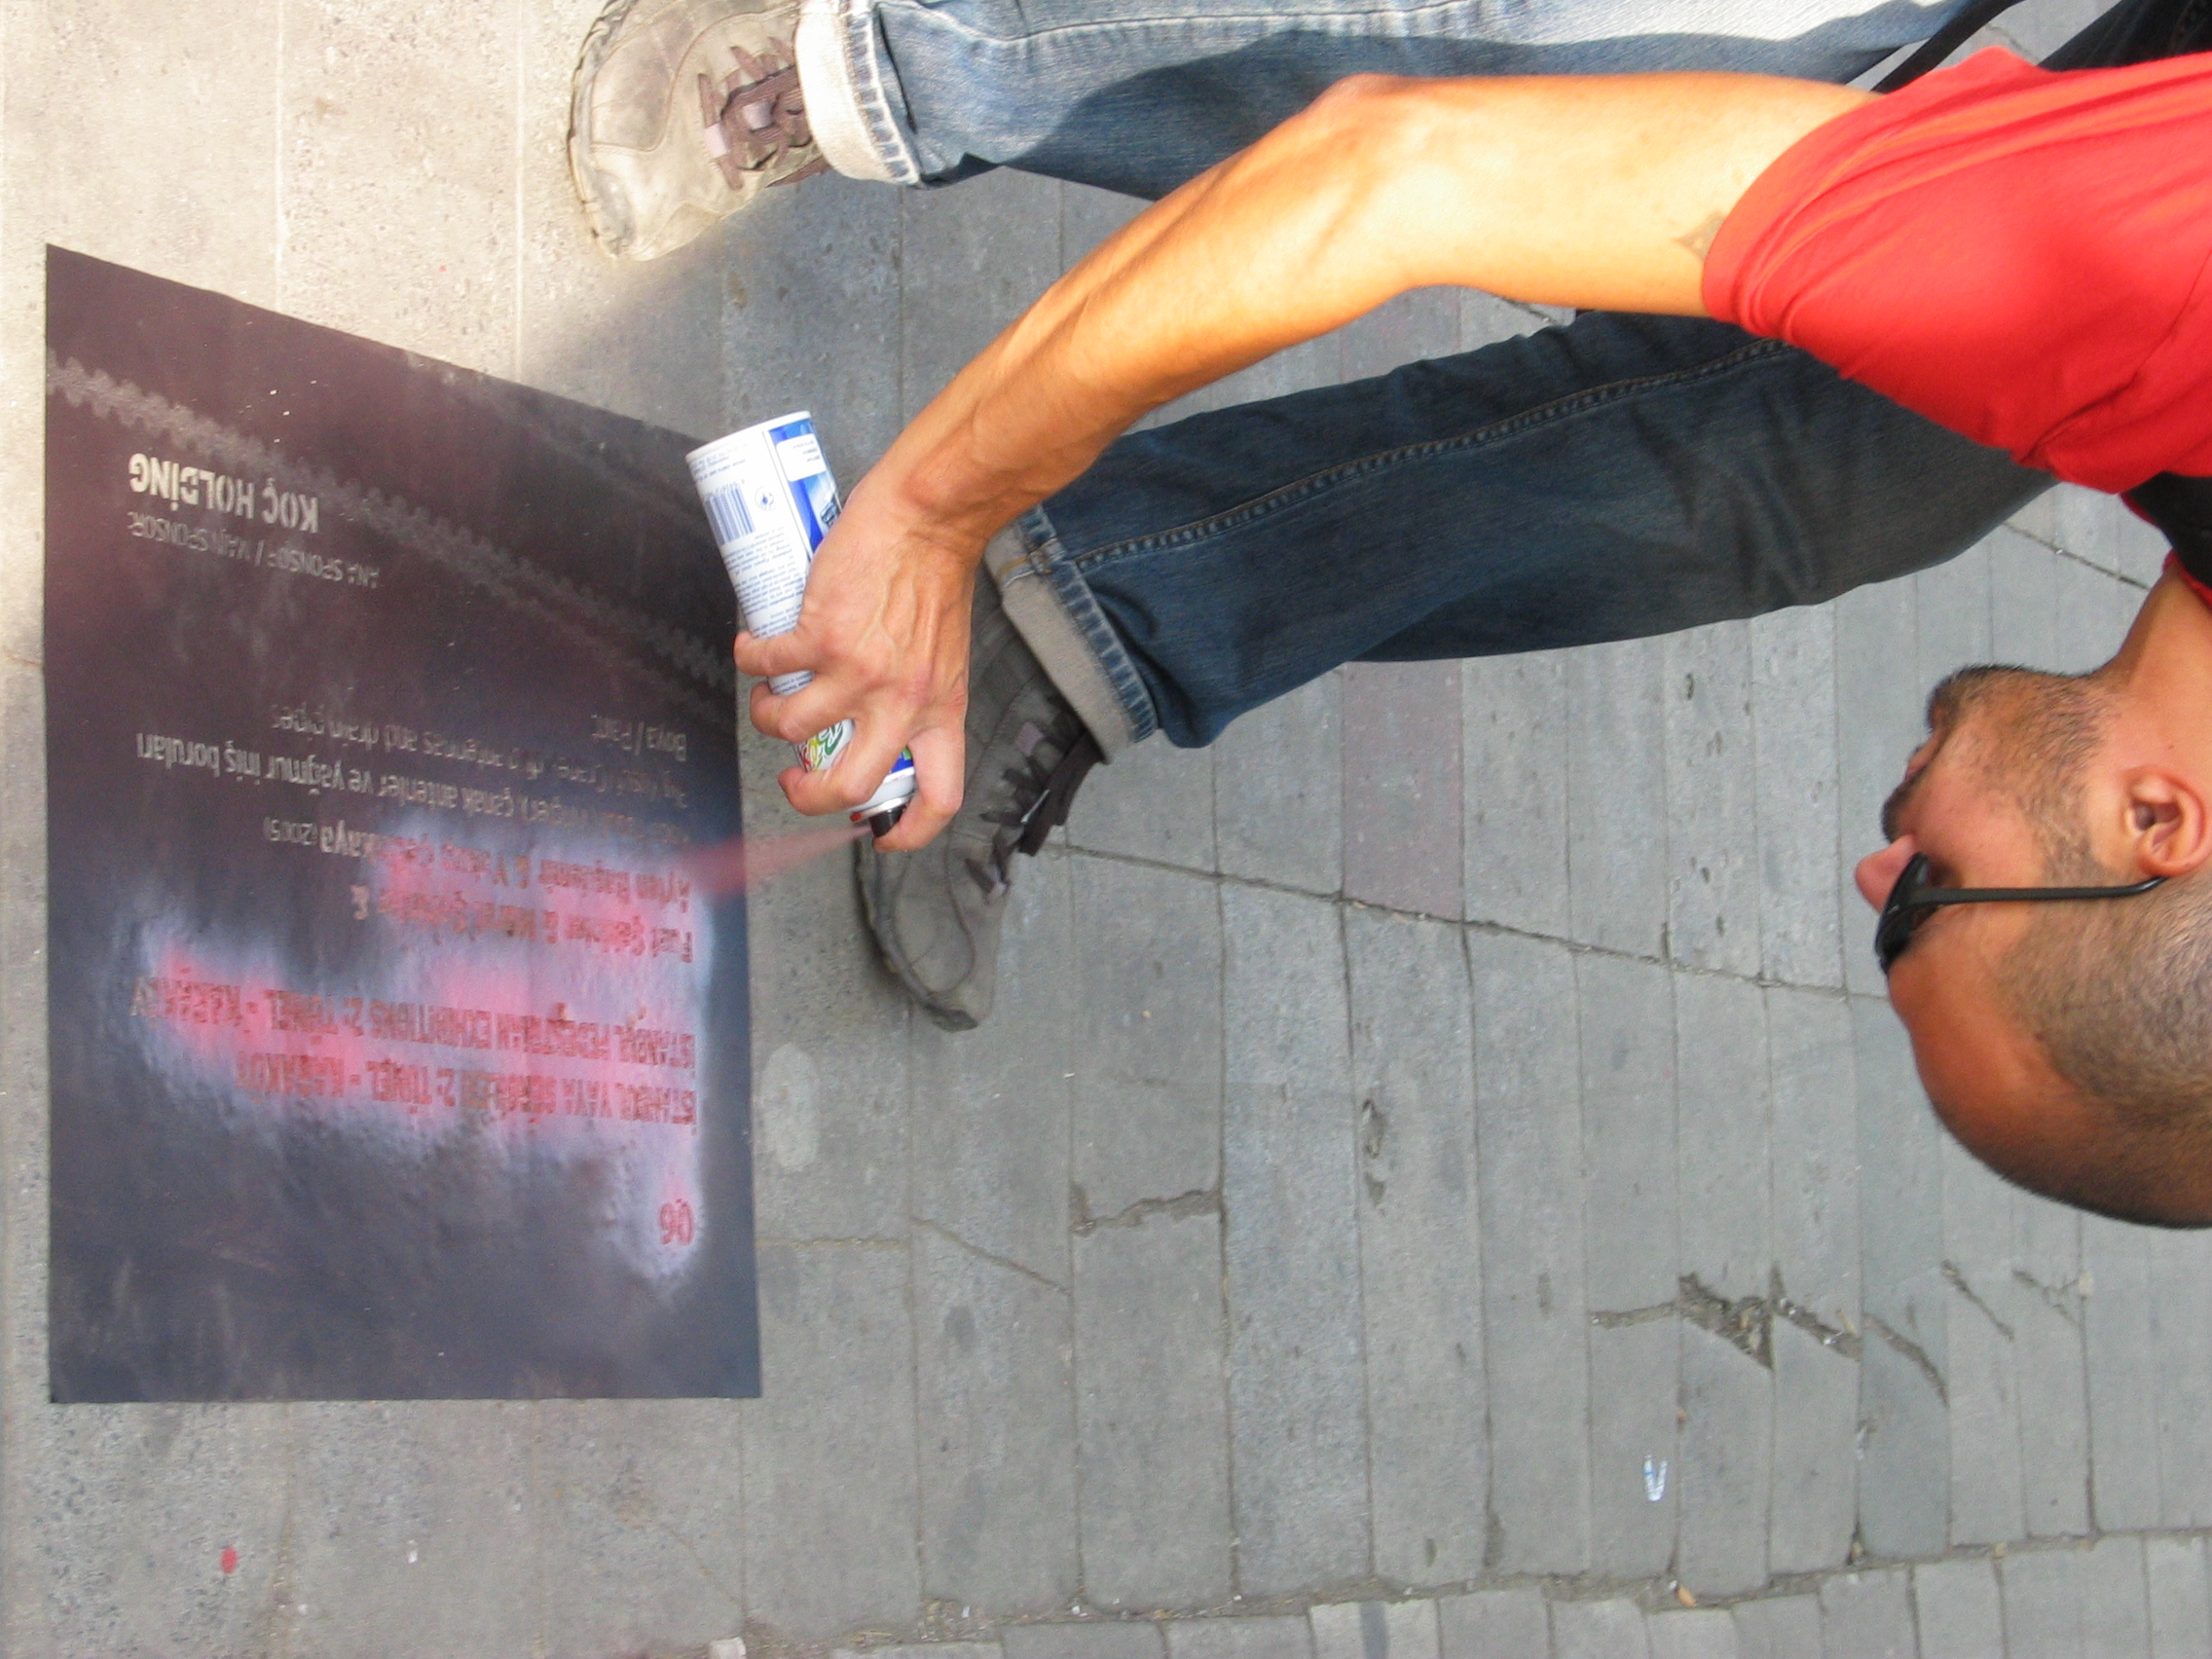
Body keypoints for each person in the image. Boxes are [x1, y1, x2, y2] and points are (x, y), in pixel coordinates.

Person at [570, 0, 2212, 1224]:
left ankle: (1080, 626)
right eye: (1922, 900)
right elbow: (1399, 172)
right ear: (2158, 822)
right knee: (1698, 41)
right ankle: (884, 54)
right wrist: (928, 509)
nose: (1868, 872)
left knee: (1838, 465)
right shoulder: (2157, 295)